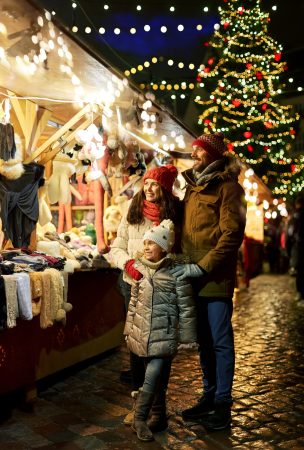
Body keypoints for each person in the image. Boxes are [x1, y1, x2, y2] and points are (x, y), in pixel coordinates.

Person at [172, 132, 246, 431]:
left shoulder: (229, 188)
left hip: (214, 278)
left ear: (214, 154)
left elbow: (231, 235)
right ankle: (208, 394)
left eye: (199, 150)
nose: (194, 154)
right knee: (202, 340)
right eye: (193, 150)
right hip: (191, 275)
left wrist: (203, 267)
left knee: (219, 340)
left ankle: (223, 404)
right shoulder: (192, 187)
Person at [110, 164, 182, 424]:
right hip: (132, 284)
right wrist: (127, 263)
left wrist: (159, 269)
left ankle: (157, 409)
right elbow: (116, 245)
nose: (150, 188)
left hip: (160, 288)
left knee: (159, 348)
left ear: (164, 188)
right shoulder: (133, 211)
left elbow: (177, 252)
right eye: (147, 183)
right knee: (136, 345)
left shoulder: (172, 214)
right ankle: (139, 405)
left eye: (155, 184)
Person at [124, 219, 197, 441]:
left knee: (154, 373)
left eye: (151, 244)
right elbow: (134, 302)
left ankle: (139, 418)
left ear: (164, 248)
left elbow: (186, 308)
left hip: (163, 334)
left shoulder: (176, 274)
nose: (146, 247)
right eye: (145, 243)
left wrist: (187, 338)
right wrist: (129, 329)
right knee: (158, 378)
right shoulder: (140, 271)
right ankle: (159, 416)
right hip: (142, 334)